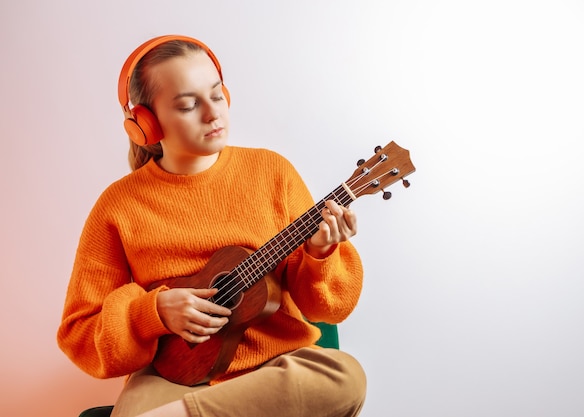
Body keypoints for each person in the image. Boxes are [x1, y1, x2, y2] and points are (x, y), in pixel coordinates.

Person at [57, 35, 366, 417]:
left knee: (345, 376)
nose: (212, 114)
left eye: (217, 96)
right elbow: (80, 335)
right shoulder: (118, 206)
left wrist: (319, 254)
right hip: (171, 381)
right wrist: (153, 312)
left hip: (275, 369)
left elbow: (329, 308)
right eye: (188, 105)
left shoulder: (273, 172)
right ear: (146, 125)